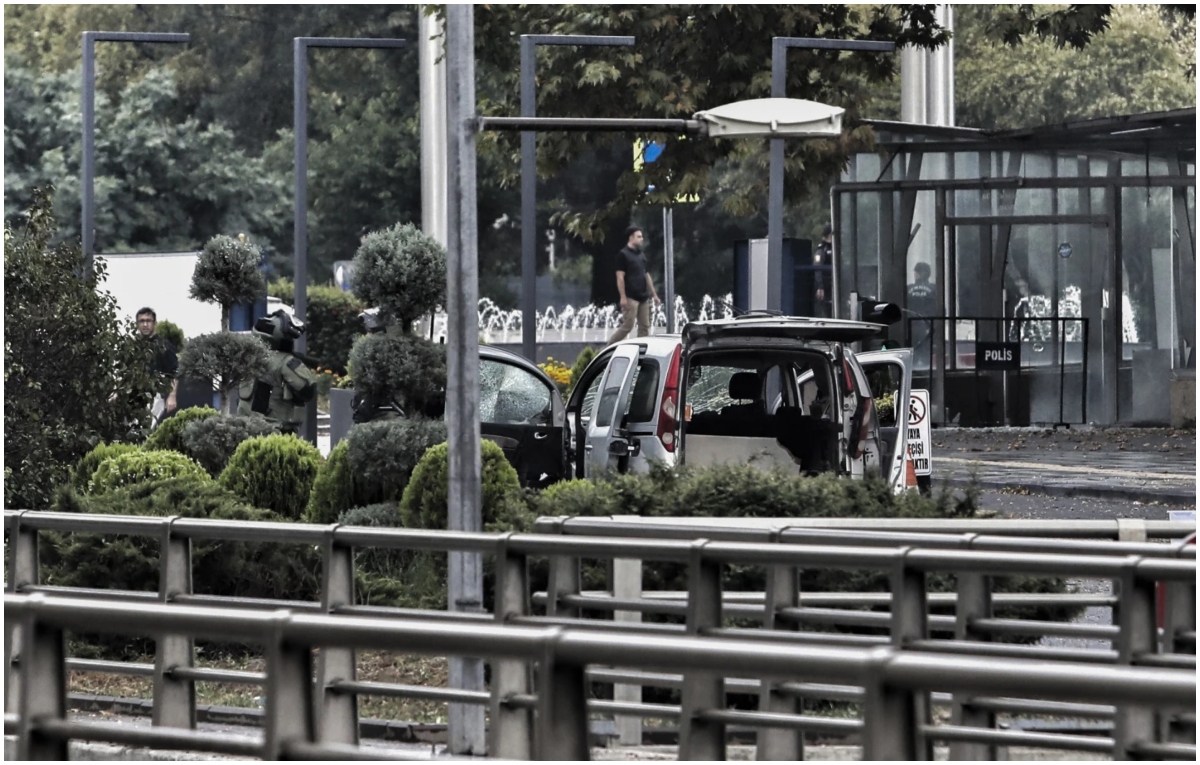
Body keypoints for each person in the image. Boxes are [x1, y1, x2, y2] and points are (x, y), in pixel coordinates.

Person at [237, 310, 318, 434]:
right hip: (274, 429)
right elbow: (308, 389)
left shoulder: (248, 356)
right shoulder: (286, 361)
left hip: (244, 426)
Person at [607, 226, 660, 345]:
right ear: (631, 238)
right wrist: (623, 297)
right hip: (631, 296)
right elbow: (620, 277)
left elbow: (646, 275)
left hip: (643, 297)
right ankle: (607, 347)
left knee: (644, 327)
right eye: (639, 236)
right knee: (628, 326)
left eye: (642, 236)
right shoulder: (623, 255)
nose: (642, 239)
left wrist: (654, 295)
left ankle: (641, 352)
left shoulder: (641, 255)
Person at [135, 307, 178, 425]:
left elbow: (174, 372)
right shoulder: (134, 346)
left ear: (154, 323)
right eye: (142, 321)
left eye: (148, 321)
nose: (145, 324)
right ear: (137, 324)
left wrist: (172, 396)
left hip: (156, 396)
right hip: (136, 395)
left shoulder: (164, 345)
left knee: (148, 429)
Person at [906, 262, 937, 359]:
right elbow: (939, 309)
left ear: (918, 274)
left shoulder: (908, 289)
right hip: (928, 326)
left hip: (911, 326)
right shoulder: (935, 289)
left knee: (912, 354)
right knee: (926, 355)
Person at [812, 223, 834, 318]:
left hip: (835, 284)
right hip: (826, 285)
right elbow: (818, 269)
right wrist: (820, 287)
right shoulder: (822, 250)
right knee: (826, 309)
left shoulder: (836, 248)